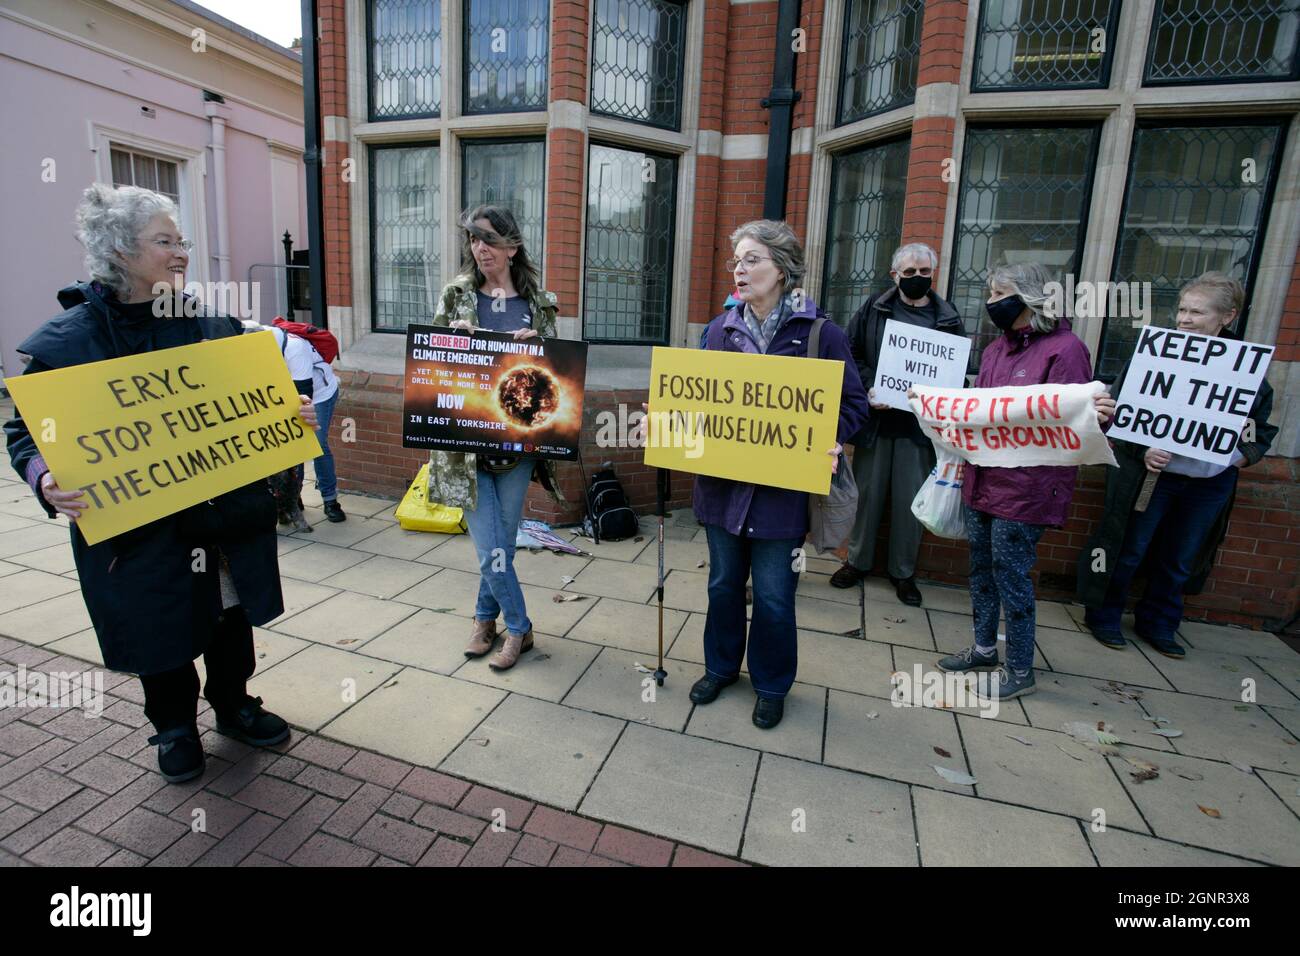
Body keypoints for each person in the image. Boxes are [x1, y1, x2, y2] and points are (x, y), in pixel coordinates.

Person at [3, 184, 317, 783]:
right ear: (120, 251)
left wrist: (287, 413)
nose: (181, 253)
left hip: (222, 519)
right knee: (159, 624)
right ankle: (173, 727)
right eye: (165, 241)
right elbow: (27, 435)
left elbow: (254, 404)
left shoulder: (210, 326)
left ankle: (233, 705)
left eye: (183, 241)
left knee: (228, 616)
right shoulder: (69, 344)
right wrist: (44, 479)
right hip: (139, 531)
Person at [647, 220, 869, 729]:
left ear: (783, 269)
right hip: (723, 493)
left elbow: (854, 405)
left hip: (782, 501)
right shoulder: (718, 330)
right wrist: (666, 423)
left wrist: (830, 434)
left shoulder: (820, 334)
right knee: (723, 586)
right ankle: (721, 667)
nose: (740, 271)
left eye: (752, 260)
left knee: (774, 596)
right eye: (736, 261)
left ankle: (771, 684)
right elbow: (698, 402)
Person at [936, 262, 1113, 701]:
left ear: (1030, 297)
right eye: (990, 292)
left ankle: (1019, 668)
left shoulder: (1065, 349)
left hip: (1028, 487)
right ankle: (982, 648)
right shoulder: (997, 349)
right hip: (983, 477)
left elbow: (1075, 422)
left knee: (1011, 575)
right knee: (980, 569)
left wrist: (1099, 415)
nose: (991, 301)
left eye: (1000, 293)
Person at [1078, 273, 1277, 659]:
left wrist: (1232, 457)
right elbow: (1117, 411)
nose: (1184, 319)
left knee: (1181, 556)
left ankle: (1160, 623)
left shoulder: (1247, 372)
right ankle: (1104, 614)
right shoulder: (1153, 355)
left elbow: (1256, 431)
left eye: (1197, 312)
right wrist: (1142, 449)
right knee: (1128, 549)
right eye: (1182, 309)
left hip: (1207, 484)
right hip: (1153, 477)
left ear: (1227, 317)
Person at [429, 205, 567, 671]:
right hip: (465, 448)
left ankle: (484, 619)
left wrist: (539, 349)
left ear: (512, 245)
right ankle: (520, 628)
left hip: (516, 448)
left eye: (489, 239)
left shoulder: (539, 302)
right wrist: (451, 340)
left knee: (499, 547)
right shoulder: (456, 296)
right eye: (473, 239)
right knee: (492, 547)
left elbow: (558, 380)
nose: (479, 248)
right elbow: (430, 371)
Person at [833, 242, 966, 606]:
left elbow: (956, 372)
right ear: (895, 275)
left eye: (924, 272)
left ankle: (903, 573)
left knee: (910, 503)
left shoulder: (949, 317)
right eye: (910, 272)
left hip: (919, 429)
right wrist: (870, 383)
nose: (918, 278)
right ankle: (857, 562)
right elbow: (850, 352)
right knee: (867, 497)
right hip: (877, 422)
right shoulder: (874, 309)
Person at [269, 322, 344, 524]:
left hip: (318, 395)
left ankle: (330, 501)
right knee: (294, 449)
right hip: (287, 395)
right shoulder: (256, 339)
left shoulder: (295, 348)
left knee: (316, 445)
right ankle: (293, 500)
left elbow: (305, 397)